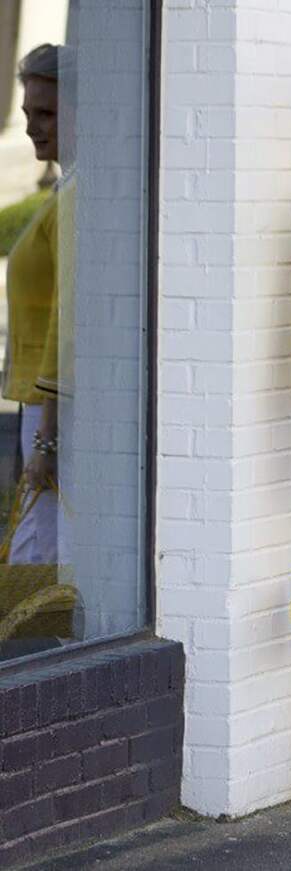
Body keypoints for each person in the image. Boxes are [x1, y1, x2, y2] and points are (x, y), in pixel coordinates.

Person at [2, 43, 74, 565]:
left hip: (50, 408)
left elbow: (65, 319)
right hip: (38, 402)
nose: (31, 127)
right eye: (27, 113)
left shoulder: (74, 198)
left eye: (45, 113)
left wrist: (47, 434)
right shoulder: (64, 189)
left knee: (36, 552)